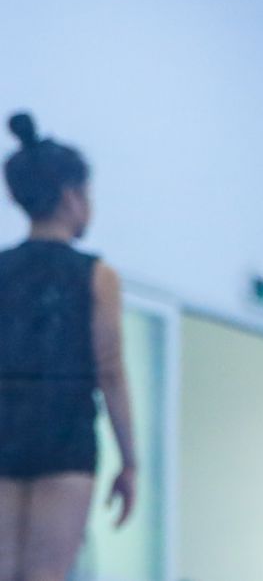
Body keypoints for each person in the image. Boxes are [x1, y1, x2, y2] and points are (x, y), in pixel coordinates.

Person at [0, 114, 137, 581]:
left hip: (4, 423)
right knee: (45, 575)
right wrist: (130, 461)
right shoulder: (96, 275)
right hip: (64, 431)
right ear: (71, 197)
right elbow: (111, 371)